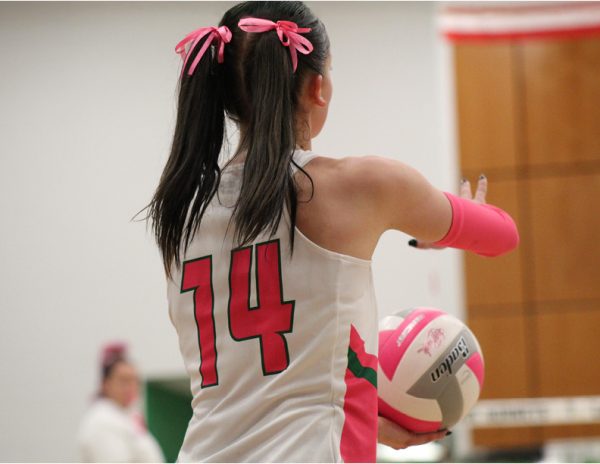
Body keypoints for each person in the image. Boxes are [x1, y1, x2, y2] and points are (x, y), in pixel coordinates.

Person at [141, 1, 519, 461]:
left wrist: (358, 413)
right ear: (318, 87)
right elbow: (502, 235)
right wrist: (439, 231)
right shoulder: (356, 185)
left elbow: (254, 390)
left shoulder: (182, 216)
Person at [78, 343, 165, 463]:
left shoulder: (127, 417)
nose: (131, 387)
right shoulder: (102, 420)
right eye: (124, 381)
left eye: (135, 381)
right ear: (105, 384)